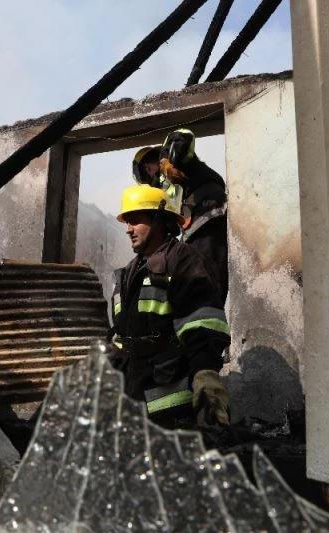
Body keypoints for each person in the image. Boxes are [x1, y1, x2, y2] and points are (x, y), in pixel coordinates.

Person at [110, 184, 230, 429]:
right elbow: (121, 335)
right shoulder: (131, 271)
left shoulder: (184, 260)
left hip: (171, 404)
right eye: (126, 222)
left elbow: (203, 323)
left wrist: (205, 372)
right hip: (133, 398)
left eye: (134, 220)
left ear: (159, 220)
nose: (128, 229)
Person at [159, 128, 228, 303]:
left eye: (149, 164)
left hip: (207, 209)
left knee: (205, 277)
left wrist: (176, 149)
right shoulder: (162, 183)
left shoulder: (187, 167)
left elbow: (183, 137)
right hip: (196, 219)